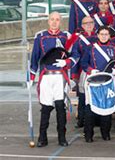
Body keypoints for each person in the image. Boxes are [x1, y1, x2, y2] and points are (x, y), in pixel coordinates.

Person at [30, 12, 75, 147]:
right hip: (46, 76)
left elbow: (75, 55)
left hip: (60, 76)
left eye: (57, 20)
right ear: (48, 21)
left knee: (61, 108)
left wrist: (66, 63)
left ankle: (62, 137)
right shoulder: (40, 36)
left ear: (60, 21)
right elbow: (34, 57)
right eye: (52, 20)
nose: (54, 22)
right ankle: (42, 137)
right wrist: (31, 76)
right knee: (46, 107)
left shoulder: (67, 36)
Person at [82, 26, 115, 142]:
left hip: (108, 81)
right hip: (93, 80)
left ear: (109, 36)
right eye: (102, 34)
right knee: (90, 107)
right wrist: (90, 70)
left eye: (106, 34)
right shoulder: (90, 48)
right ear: (97, 35)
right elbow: (83, 63)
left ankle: (106, 133)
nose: (104, 36)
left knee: (107, 107)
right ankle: (88, 134)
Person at [70, 16, 97, 129]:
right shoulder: (78, 40)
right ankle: (81, 119)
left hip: (97, 72)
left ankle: (96, 119)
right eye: (86, 23)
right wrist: (74, 75)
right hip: (83, 72)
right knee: (82, 97)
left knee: (96, 96)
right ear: (82, 26)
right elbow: (75, 57)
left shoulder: (99, 36)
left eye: (91, 22)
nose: (89, 25)